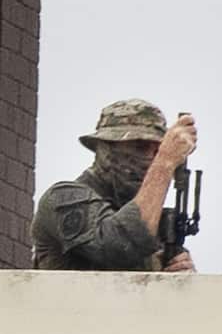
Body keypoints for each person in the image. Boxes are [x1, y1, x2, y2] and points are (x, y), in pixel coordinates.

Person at [30, 99, 198, 272]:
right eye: (139, 147)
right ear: (105, 148)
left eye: (157, 151)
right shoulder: (62, 198)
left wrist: (182, 280)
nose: (150, 159)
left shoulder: (159, 226)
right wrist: (165, 162)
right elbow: (120, 246)